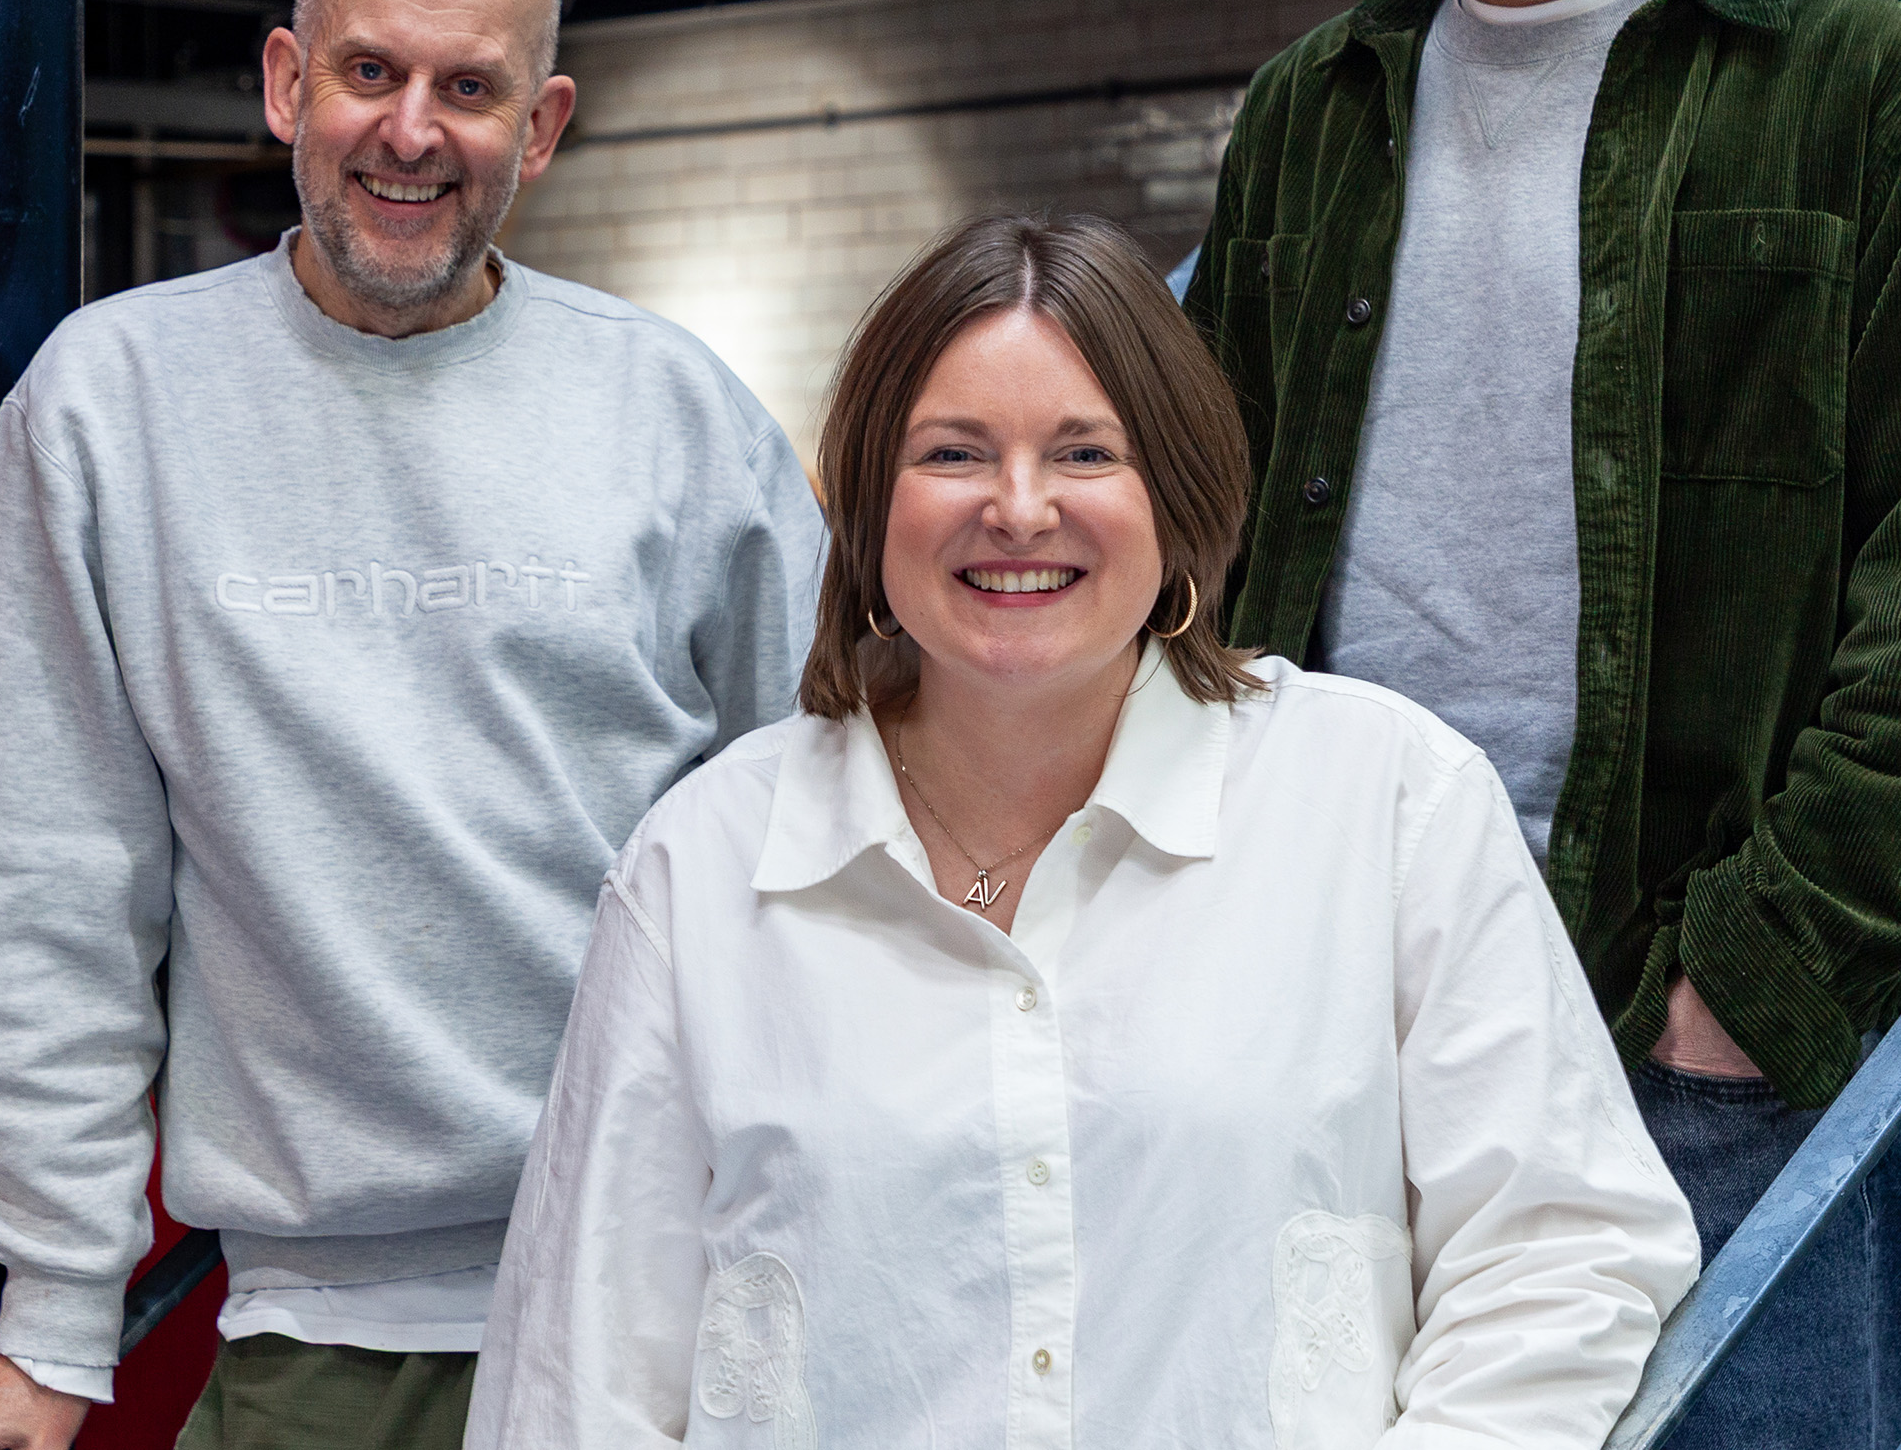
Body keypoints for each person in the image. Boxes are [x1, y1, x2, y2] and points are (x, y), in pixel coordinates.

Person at [1180, 0, 1901, 1442]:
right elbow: (1209, 560)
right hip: (1338, 1016)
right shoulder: (1307, 115)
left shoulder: (1877, 94)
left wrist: (1747, 989)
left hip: (1694, 1040)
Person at [470, 213, 1699, 1448]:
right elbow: (577, 1382)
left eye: (1083, 453)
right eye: (952, 452)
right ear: (864, 503)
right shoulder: (701, 868)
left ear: (1177, 492)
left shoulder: (1383, 799)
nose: (1017, 509)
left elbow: (1564, 1247)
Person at [0, 0, 827, 1450]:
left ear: (540, 128)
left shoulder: (677, 417)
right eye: (369, 74)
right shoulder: (107, 410)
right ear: (288, 83)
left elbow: (822, 849)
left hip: (674, 1302)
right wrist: (58, 1321)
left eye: (469, 89)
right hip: (317, 1340)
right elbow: (48, 896)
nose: (411, 131)